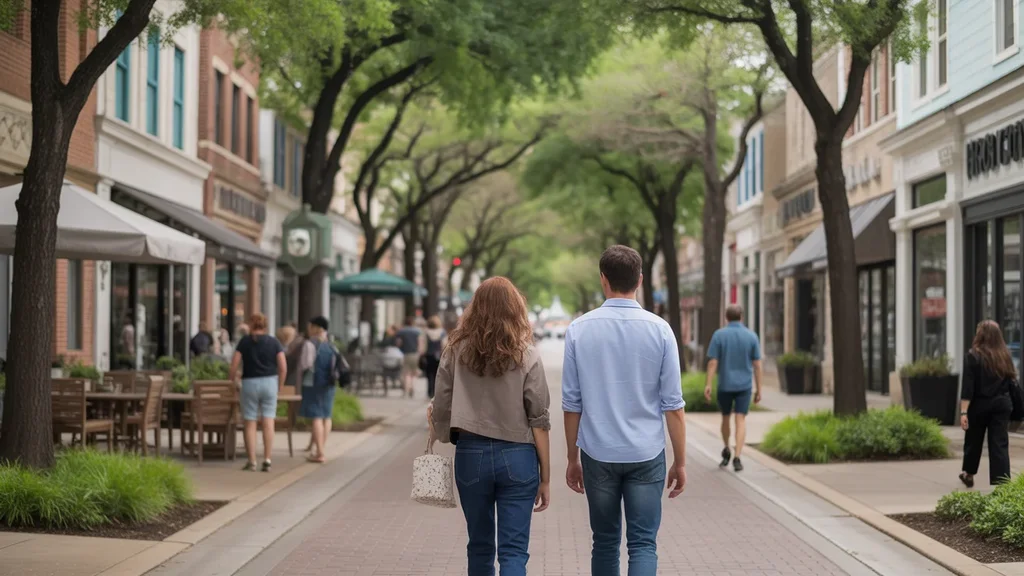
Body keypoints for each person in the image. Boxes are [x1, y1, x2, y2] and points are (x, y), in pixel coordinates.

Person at [562, 245, 686, 576]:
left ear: (603, 279)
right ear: (640, 280)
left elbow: (572, 403)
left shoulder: (579, 330)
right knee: (643, 544)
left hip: (597, 451)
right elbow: (673, 405)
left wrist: (572, 458)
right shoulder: (660, 330)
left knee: (603, 541)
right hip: (646, 451)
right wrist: (681, 461)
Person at [430, 277, 551, 576]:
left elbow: (441, 401)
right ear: (515, 309)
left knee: (480, 545)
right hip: (519, 457)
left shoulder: (455, 350)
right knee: (513, 551)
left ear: (475, 308)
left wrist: (443, 432)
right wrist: (545, 477)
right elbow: (539, 418)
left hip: (471, 454)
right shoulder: (527, 353)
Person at [703, 304, 763, 472]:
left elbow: (713, 362)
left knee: (725, 417)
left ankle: (726, 447)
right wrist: (759, 389)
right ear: (741, 317)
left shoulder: (719, 335)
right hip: (744, 386)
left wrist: (708, 384)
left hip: (725, 385)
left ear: (726, 318)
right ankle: (737, 456)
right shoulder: (751, 336)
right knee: (740, 419)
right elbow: (757, 365)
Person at [960, 320, 1016, 487]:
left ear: (980, 335)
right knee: (999, 443)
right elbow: (1012, 380)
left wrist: (963, 412)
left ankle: (969, 474)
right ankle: (1002, 483)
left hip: (980, 405)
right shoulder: (1005, 355)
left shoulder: (973, 356)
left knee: (973, 440)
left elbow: (968, 387)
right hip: (1002, 404)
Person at [230, 313, 286, 472]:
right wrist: (279, 386)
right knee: (269, 421)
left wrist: (232, 382)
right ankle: (267, 459)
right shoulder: (274, 342)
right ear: (265, 325)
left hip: (249, 383)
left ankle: (252, 461)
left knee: (250, 422)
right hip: (270, 382)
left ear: (250, 325)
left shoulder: (244, 342)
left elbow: (234, 365)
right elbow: (283, 366)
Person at [299, 316, 339, 463]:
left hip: (313, 383)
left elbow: (306, 364)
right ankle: (320, 448)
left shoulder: (310, 344)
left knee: (316, 416)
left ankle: (320, 453)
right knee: (326, 416)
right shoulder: (332, 345)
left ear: (315, 328)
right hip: (330, 383)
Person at [395, 317, 424, 398]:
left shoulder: (401, 331)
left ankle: (406, 390)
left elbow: (398, 343)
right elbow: (420, 343)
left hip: (405, 354)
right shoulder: (417, 331)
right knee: (414, 373)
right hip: (415, 354)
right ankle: (412, 388)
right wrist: (420, 352)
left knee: (406, 373)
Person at [423, 316, 447, 398]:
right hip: (439, 356)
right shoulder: (442, 332)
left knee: (429, 374)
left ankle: (430, 392)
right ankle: (436, 392)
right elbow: (444, 345)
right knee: (438, 374)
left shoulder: (426, 332)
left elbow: (423, 345)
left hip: (429, 355)